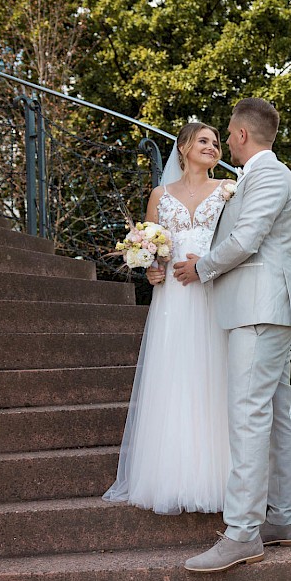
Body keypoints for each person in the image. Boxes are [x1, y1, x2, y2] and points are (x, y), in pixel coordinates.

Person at [174, 98, 291, 573]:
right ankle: (284, 518)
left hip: (260, 308)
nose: (226, 140)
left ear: (243, 136)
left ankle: (243, 533)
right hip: (262, 308)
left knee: (247, 417)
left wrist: (201, 268)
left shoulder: (269, 175)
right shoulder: (255, 177)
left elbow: (247, 238)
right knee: (274, 413)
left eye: (228, 133)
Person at [102, 122, 233, 514]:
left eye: (216, 143)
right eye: (204, 141)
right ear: (184, 148)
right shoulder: (160, 196)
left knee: (214, 379)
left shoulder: (227, 191)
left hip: (212, 296)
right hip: (173, 302)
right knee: (175, 381)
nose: (213, 147)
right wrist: (151, 271)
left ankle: (224, 478)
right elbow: (155, 252)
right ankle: (173, 477)